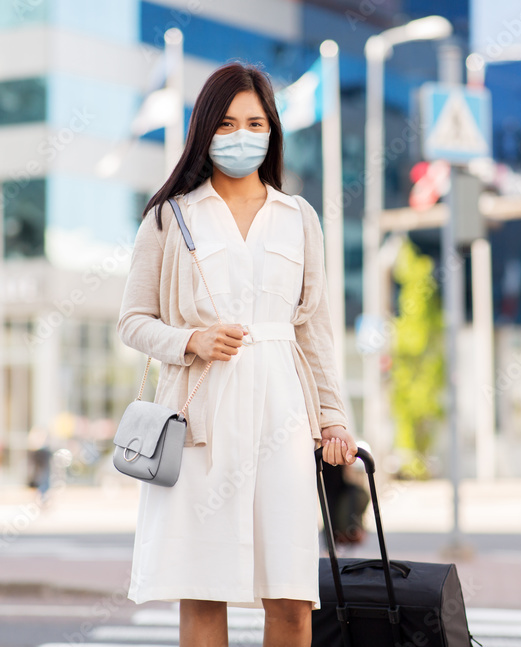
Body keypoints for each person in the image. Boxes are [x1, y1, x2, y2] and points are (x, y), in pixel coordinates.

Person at [116, 61, 357, 647]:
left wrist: (333, 417)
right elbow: (132, 321)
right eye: (225, 124)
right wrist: (190, 340)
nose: (240, 135)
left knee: (292, 599)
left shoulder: (299, 218)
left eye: (254, 123)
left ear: (272, 131)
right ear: (204, 130)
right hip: (201, 421)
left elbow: (315, 331)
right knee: (203, 593)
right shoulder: (170, 216)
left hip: (282, 418)